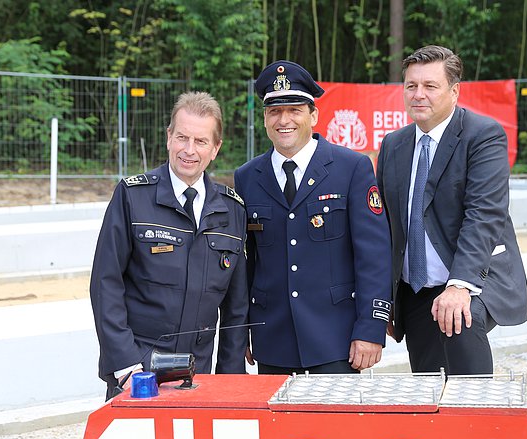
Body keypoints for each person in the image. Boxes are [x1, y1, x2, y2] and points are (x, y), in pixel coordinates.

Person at [376, 45, 527, 375]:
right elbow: (386, 227)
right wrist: (384, 296)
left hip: (472, 274)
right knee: (429, 382)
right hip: (415, 285)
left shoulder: (483, 135)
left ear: (454, 91)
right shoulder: (393, 145)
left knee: (461, 322)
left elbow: (485, 214)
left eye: (430, 86)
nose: (418, 95)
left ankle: (480, 414)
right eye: (411, 86)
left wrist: (460, 285)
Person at [234, 61, 392, 375]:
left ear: (314, 115)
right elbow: (247, 263)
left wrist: (371, 329)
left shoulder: (351, 168)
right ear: (265, 118)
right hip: (272, 339)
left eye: (294, 110)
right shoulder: (247, 177)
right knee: (278, 426)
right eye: (274, 112)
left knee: (336, 426)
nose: (284, 120)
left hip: (336, 340)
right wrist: (244, 330)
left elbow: (373, 257)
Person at [90, 91, 248, 398]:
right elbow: (105, 284)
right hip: (138, 375)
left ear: (215, 148)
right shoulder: (132, 198)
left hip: (199, 378)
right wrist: (125, 366)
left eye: (200, 141)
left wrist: (231, 379)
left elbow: (236, 307)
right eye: (182, 137)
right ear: (168, 138)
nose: (189, 150)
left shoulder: (232, 211)